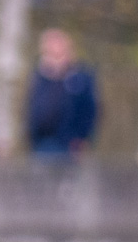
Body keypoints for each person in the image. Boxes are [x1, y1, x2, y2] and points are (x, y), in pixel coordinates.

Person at [26, 28, 98, 161]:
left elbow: (89, 109)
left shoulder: (80, 76)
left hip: (69, 144)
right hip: (41, 143)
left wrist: (82, 138)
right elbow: (33, 108)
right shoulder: (39, 76)